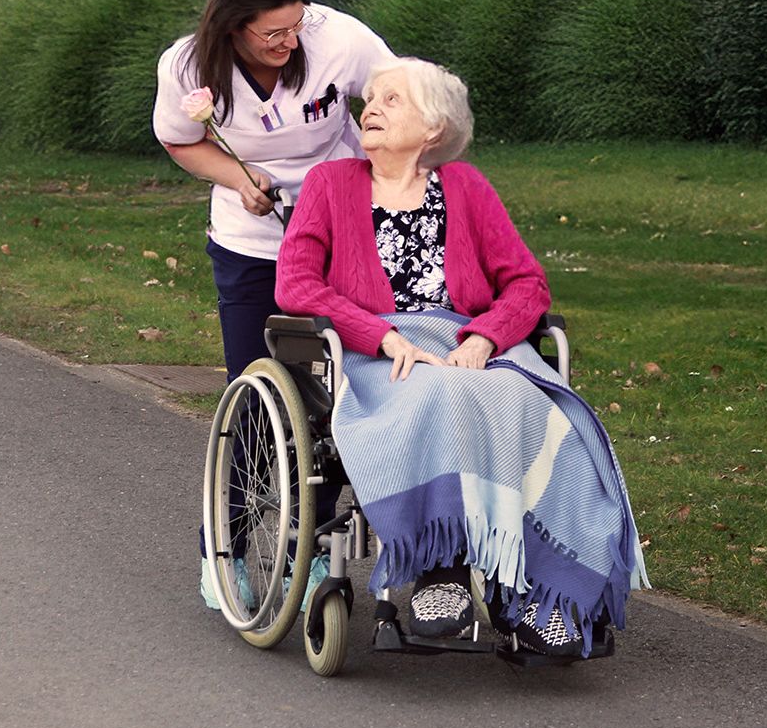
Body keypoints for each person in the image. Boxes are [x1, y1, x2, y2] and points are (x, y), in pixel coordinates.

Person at [276, 57, 648, 656]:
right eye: (370, 99)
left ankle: (535, 597)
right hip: (379, 353)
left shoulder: (467, 187)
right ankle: (441, 570)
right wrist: (380, 336)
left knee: (531, 405)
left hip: (466, 346)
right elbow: (296, 284)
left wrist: (484, 338)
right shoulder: (330, 183)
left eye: (392, 100)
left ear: (433, 127)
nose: (370, 109)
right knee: (439, 394)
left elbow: (526, 284)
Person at [152, 0, 391, 610]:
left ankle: (306, 552)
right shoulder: (187, 67)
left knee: (336, 401)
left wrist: (385, 156)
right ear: (233, 27)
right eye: (272, 33)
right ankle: (224, 550)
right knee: (258, 399)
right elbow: (179, 139)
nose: (289, 42)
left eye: (295, 25)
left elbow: (400, 97)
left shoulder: (338, 40)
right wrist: (237, 177)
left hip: (342, 236)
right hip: (252, 243)